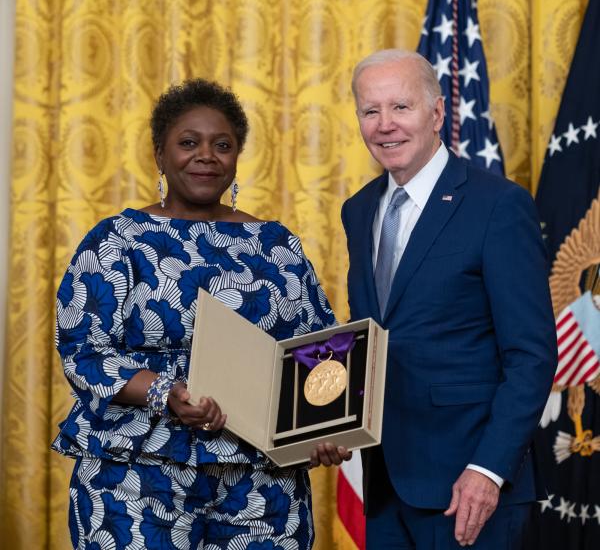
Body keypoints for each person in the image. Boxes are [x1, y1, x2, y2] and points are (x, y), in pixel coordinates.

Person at [52, 78, 349, 550]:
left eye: (222, 145)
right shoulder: (118, 240)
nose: (206, 155)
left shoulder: (277, 245)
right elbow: (83, 354)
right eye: (188, 143)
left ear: (236, 157)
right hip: (136, 474)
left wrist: (328, 425)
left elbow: (319, 353)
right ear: (160, 155)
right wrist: (167, 393)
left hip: (263, 483)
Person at [341, 49, 558, 549]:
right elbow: (369, 336)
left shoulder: (498, 205)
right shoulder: (359, 211)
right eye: (370, 111)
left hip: (469, 484)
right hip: (385, 483)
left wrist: (488, 469)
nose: (384, 125)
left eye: (400, 107)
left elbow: (531, 354)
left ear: (437, 113)